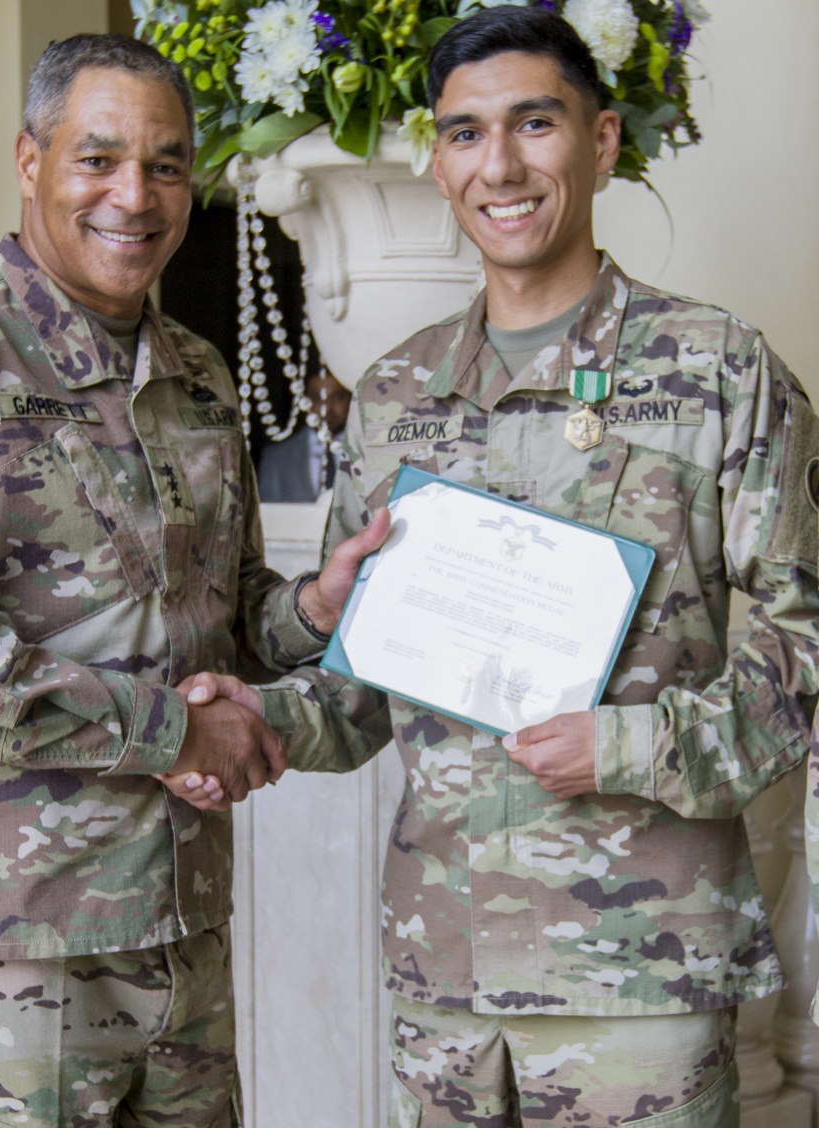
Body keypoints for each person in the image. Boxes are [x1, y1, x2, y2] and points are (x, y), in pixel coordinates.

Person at [189, 6, 819, 1125]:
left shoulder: (718, 371)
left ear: (604, 140)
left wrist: (624, 744)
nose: (503, 165)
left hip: (640, 977)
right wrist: (255, 720)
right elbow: (362, 693)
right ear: (437, 162)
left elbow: (804, 647)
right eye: (467, 133)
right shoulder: (393, 396)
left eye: (536, 123)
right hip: (448, 976)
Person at [0, 34, 386, 1128]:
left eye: (166, 165)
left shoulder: (197, 374)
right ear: (30, 161)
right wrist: (171, 731)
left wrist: (313, 610)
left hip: (181, 933)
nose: (135, 195)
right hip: (4, 956)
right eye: (99, 158)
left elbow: (219, 613)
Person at [256, 370, 352, 502]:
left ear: (350, 399)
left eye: (337, 397)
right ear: (305, 401)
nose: (327, 408)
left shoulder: (366, 451)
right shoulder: (276, 457)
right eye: (318, 398)